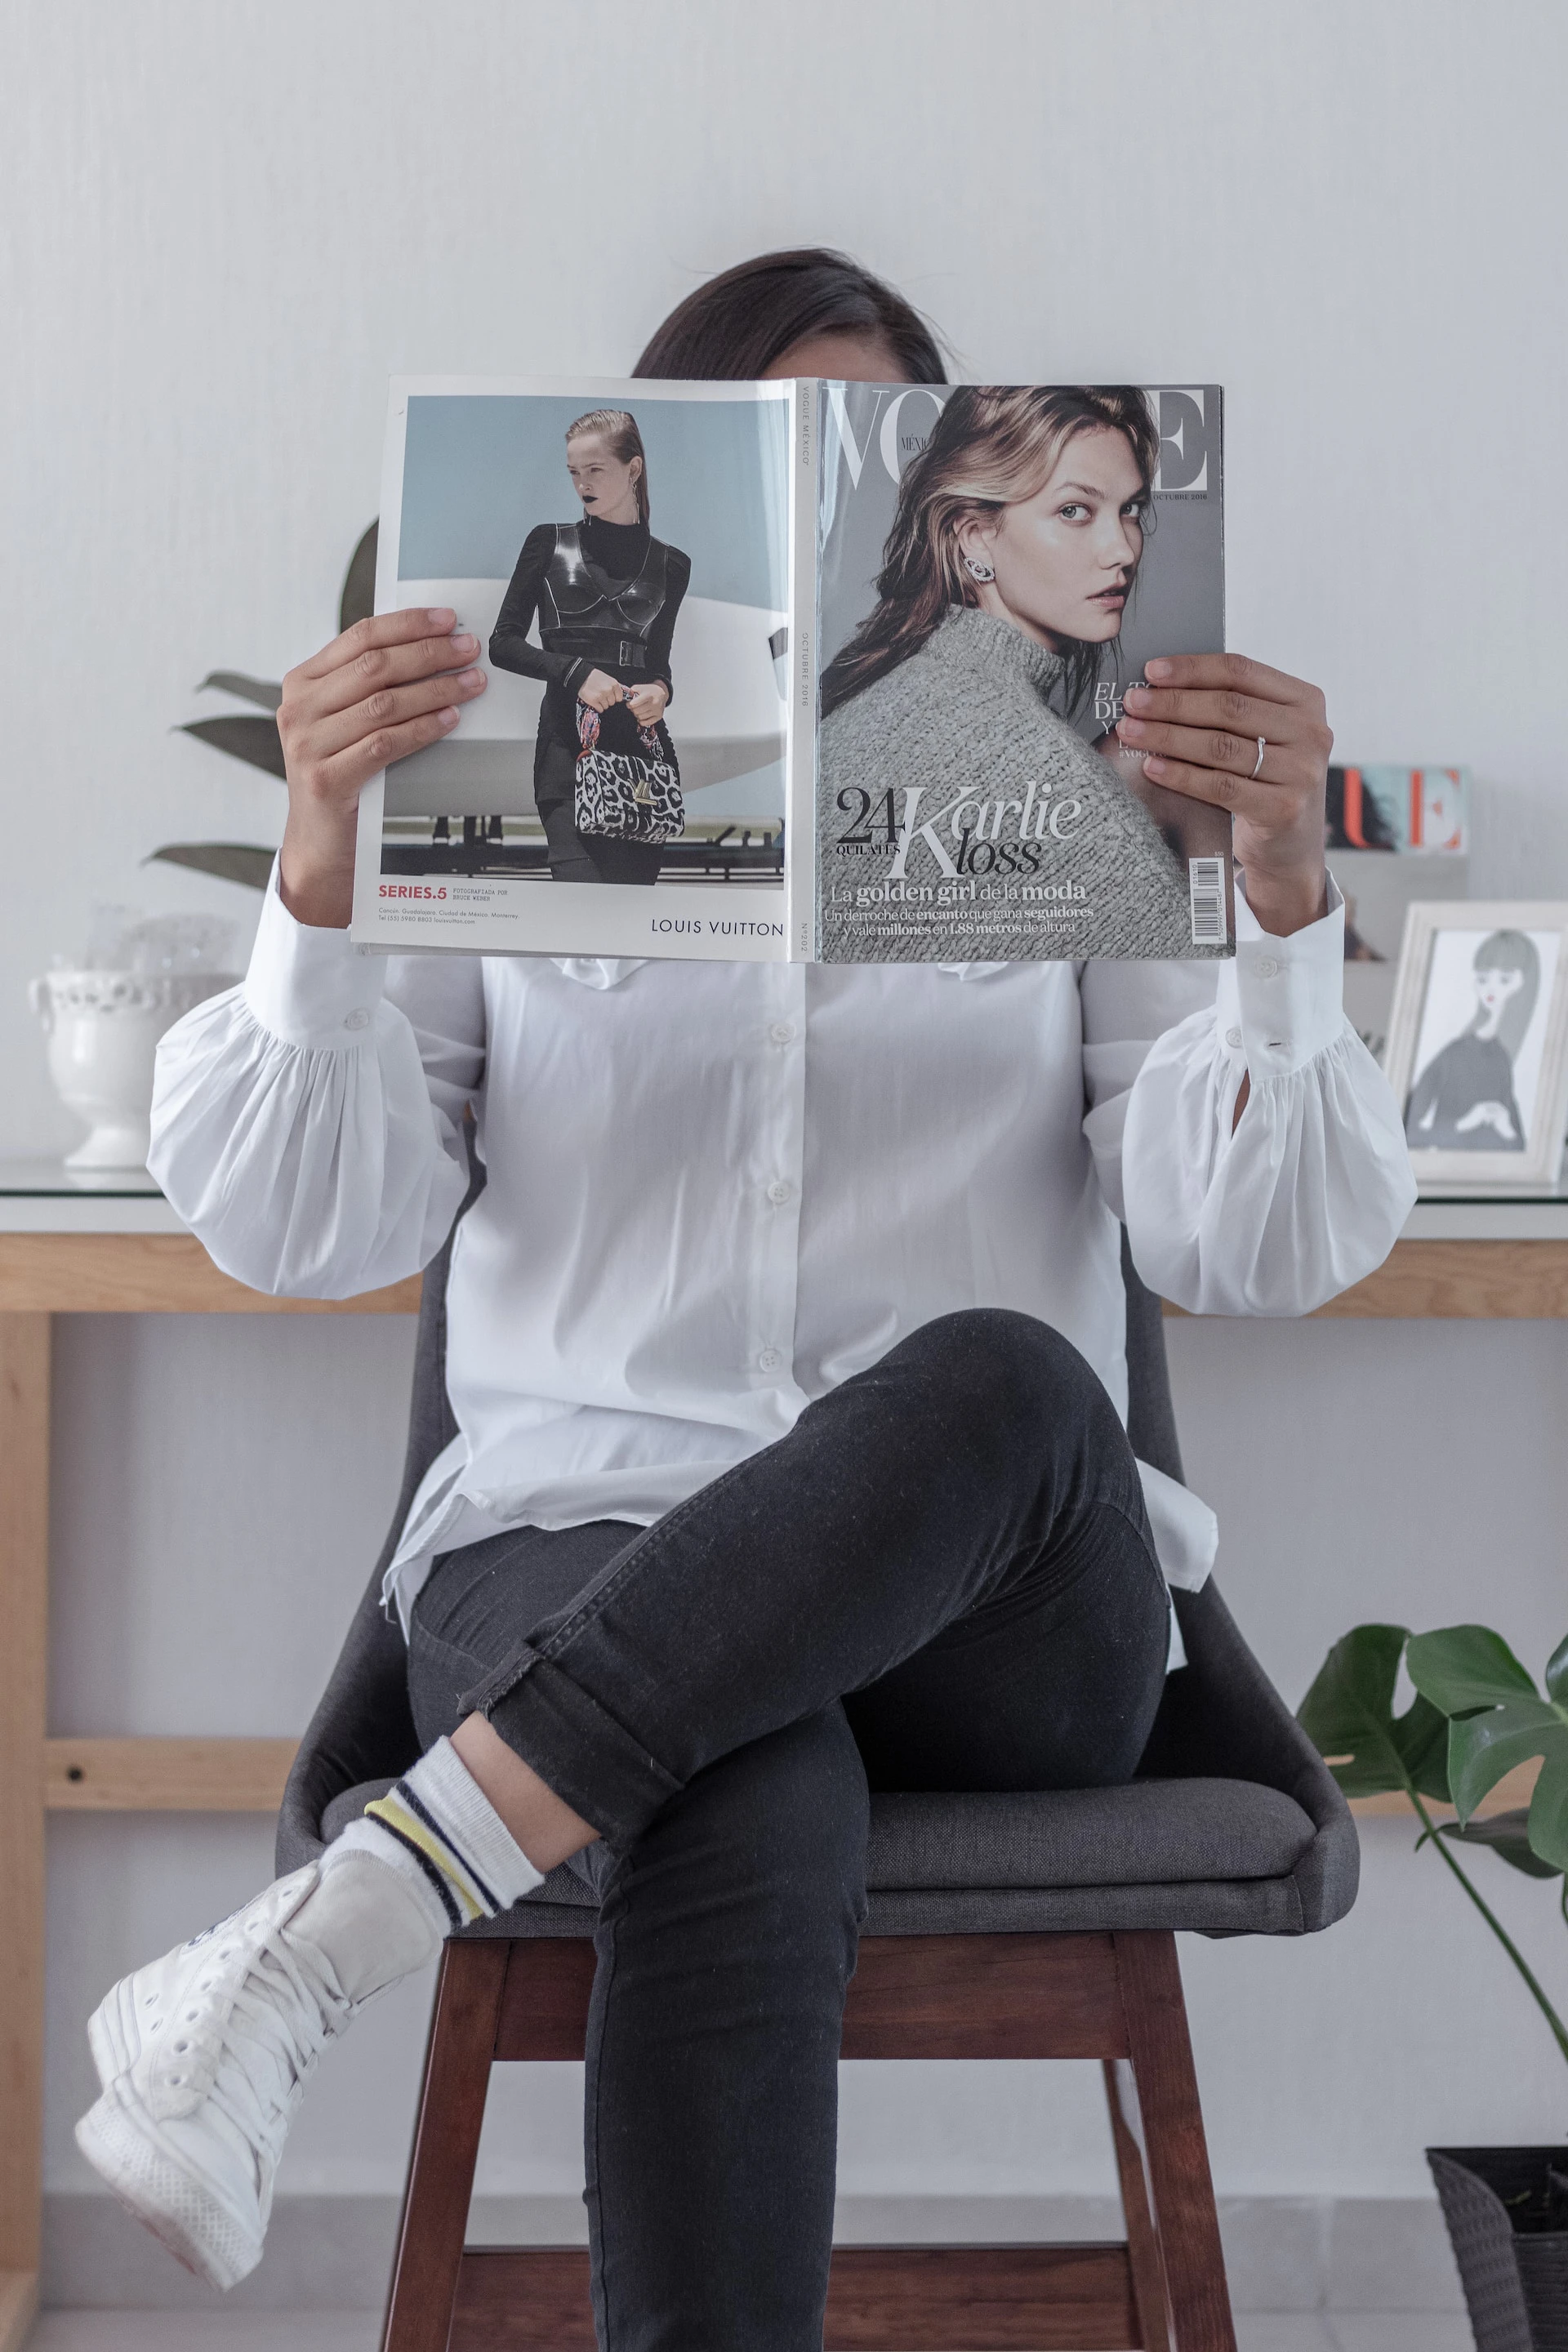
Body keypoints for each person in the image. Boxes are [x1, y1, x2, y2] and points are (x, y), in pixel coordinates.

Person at [76, 247, 1415, 2350]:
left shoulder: (1061, 778)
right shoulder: (522, 757)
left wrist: (1277, 907)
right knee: (739, 1761)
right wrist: (321, 869)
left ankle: (343, 1925)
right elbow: (302, 1229)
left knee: (1007, 1381)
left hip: (1007, 1616)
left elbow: (1251, 1247)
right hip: (571, 1533)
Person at [821, 383, 1202, 960]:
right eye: (1074, 511)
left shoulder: (885, 693)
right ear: (976, 537)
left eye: (1129, 510)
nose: (1122, 551)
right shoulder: (1059, 790)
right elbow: (1206, 1010)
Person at [488, 407, 692, 885]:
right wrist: (576, 673)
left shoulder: (672, 565)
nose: (582, 483)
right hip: (567, 753)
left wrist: (662, 691)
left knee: (632, 915)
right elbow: (503, 644)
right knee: (581, 902)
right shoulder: (546, 543)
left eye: (595, 469)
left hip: (643, 766)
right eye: (574, 472)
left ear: (633, 469)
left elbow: (658, 663)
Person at [1405, 929, 1539, 1149]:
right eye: (1484, 978)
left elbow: (1520, 1147)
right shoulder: (1453, 1054)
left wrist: (1506, 1128)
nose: (1491, 988)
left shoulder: (1501, 1059)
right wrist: (1464, 1124)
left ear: (1523, 985)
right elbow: (1410, 1135)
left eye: (1504, 979)